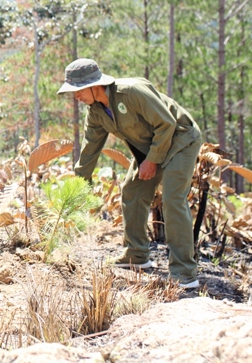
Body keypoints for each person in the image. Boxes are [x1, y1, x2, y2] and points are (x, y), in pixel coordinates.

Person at [57, 58, 202, 289]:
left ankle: (184, 272)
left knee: (173, 198)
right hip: (150, 147)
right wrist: (78, 188)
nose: (75, 97)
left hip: (180, 139)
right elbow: (89, 150)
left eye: (78, 90)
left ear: (95, 85)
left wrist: (152, 161)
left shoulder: (131, 92)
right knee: (132, 191)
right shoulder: (95, 112)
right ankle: (136, 254)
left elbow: (167, 124)